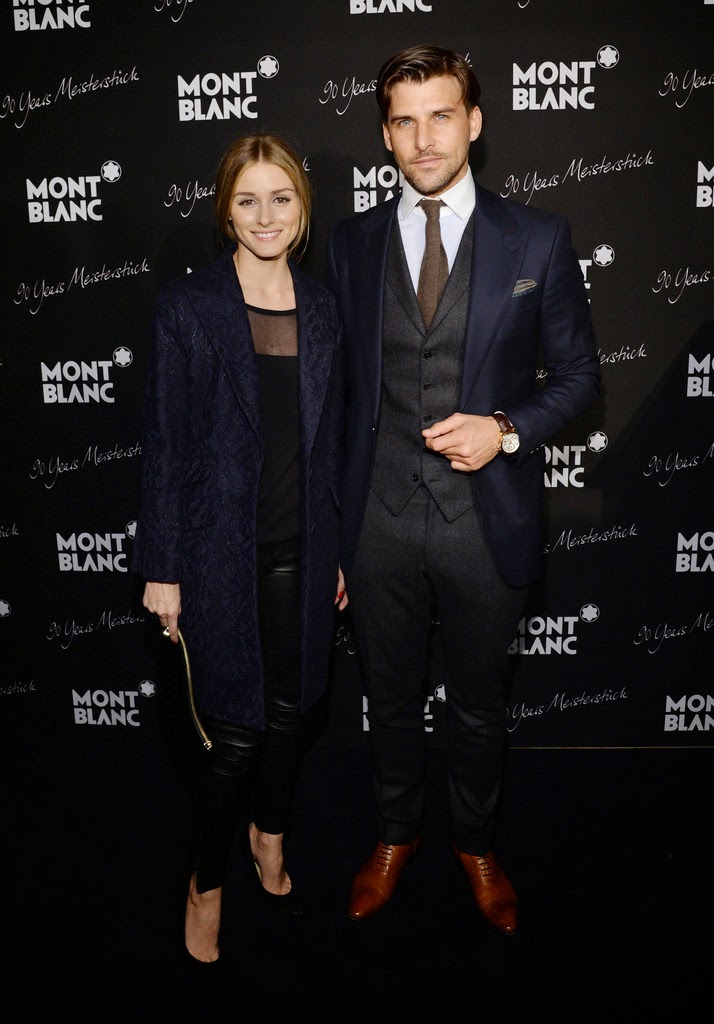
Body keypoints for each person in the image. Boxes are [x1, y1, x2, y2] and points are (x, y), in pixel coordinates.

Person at [326, 44, 600, 935]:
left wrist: (505, 428)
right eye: (404, 121)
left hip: (485, 520)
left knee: (479, 706)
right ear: (385, 135)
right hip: (376, 521)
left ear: (474, 123)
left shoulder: (538, 237)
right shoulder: (352, 243)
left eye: (441, 115)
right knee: (390, 700)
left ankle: (476, 843)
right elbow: (336, 398)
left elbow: (580, 379)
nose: (423, 138)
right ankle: (396, 834)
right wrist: (333, 531)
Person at [133, 132, 347, 964]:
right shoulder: (188, 307)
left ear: (301, 208)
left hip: (303, 550)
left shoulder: (323, 309)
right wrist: (162, 568)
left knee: (292, 716)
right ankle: (206, 884)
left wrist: (336, 550)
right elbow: (164, 445)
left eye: (281, 199)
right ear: (226, 211)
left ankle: (271, 833)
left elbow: (329, 446)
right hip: (215, 553)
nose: (265, 216)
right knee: (235, 739)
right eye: (247, 200)